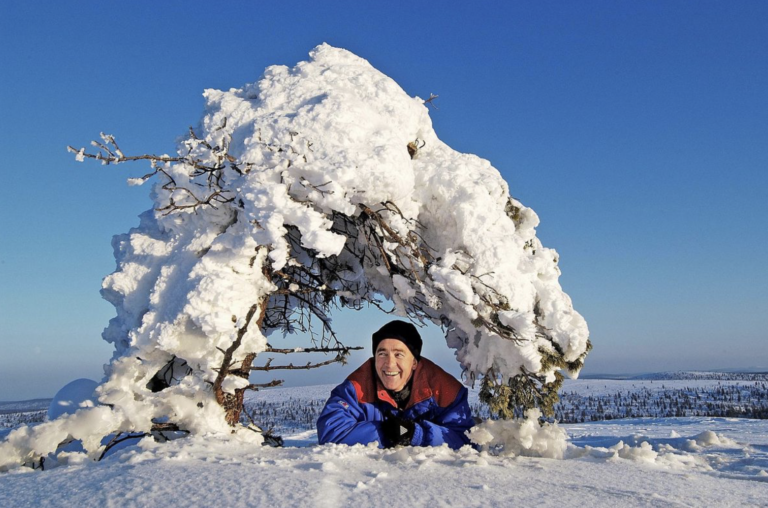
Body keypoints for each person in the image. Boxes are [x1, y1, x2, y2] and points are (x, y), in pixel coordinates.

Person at [317, 320, 474, 449]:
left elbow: (465, 439)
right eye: (382, 354)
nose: (390, 364)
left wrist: (416, 434)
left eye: (398, 354)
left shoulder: (445, 390)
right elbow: (331, 432)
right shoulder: (356, 387)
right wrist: (386, 432)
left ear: (414, 362)